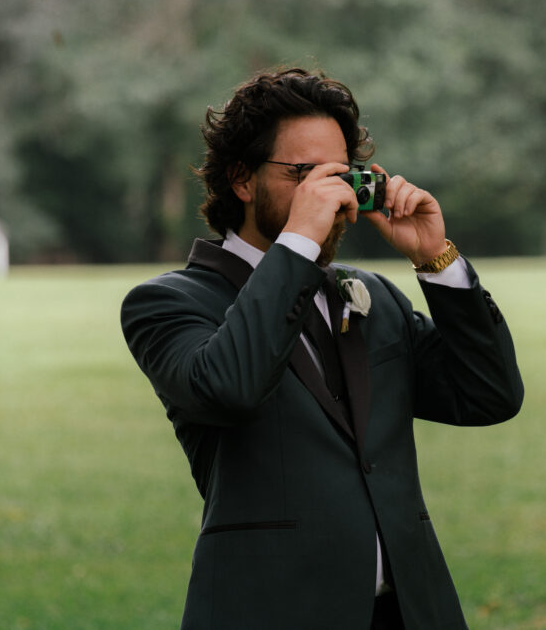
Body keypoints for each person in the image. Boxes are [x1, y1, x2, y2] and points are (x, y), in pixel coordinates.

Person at [120, 68, 523, 629]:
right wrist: (299, 242)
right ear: (241, 180)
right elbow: (230, 388)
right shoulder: (166, 303)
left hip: (409, 611)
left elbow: (489, 395)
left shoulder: (373, 295)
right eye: (302, 174)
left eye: (337, 173)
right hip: (275, 612)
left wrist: (436, 260)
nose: (326, 192)